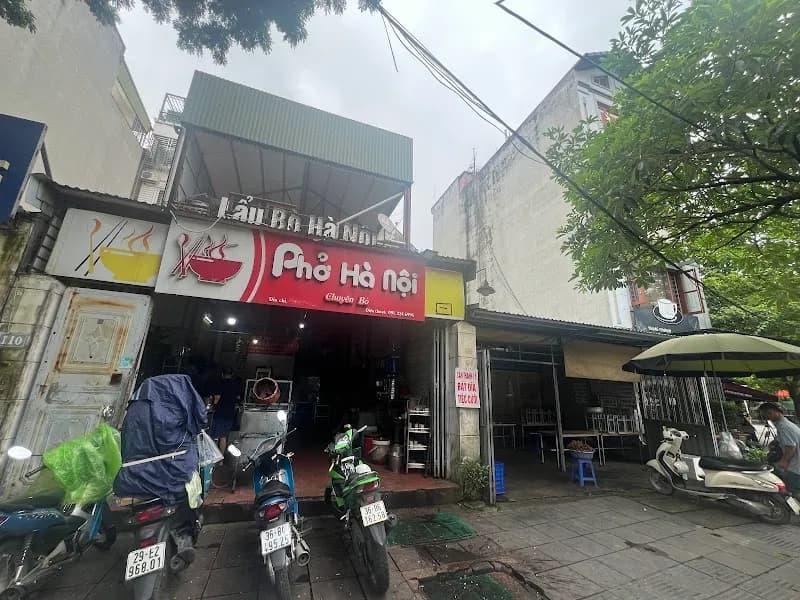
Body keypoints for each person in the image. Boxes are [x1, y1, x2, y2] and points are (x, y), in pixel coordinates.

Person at [759, 402, 800, 493]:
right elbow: (783, 440)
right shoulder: (783, 424)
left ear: (777, 412)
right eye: (764, 414)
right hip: (795, 465)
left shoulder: (784, 427)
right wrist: (774, 442)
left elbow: (790, 446)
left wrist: (784, 461)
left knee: (792, 492)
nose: (767, 416)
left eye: (768, 413)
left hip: (795, 467)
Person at [209, 367, 241, 452]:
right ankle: (221, 457)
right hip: (230, 414)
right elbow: (238, 399)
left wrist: (213, 406)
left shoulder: (220, 384)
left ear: (222, 374)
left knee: (215, 437)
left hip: (220, 413)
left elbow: (216, 398)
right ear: (232, 375)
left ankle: (214, 456)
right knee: (223, 436)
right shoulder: (235, 385)